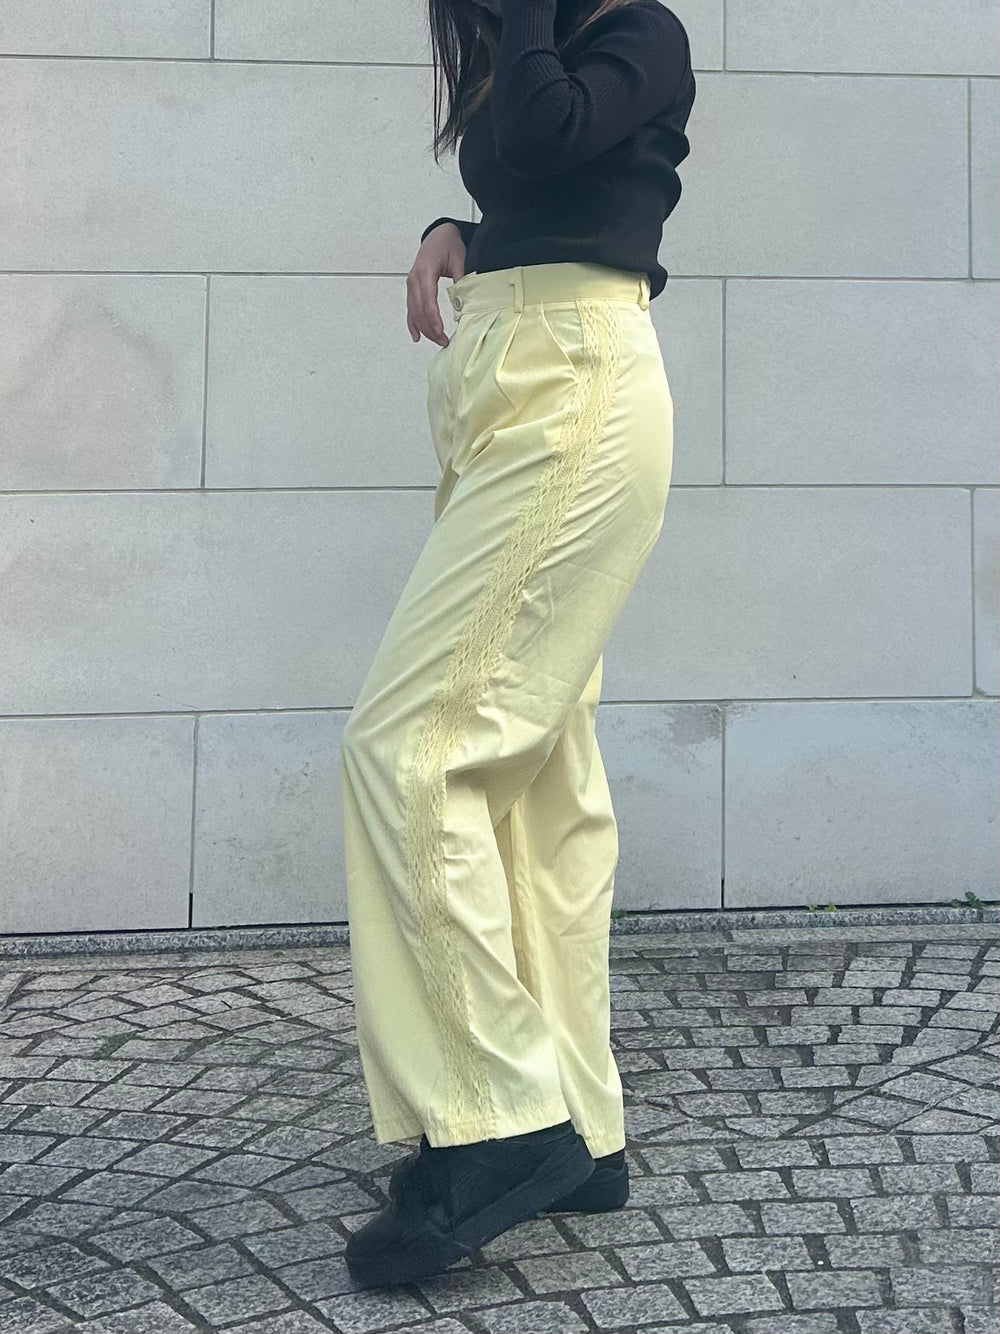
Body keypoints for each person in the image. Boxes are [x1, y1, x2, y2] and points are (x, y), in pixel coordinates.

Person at [340, 0, 695, 1286]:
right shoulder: (535, 42)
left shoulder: (637, 30)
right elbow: (555, 188)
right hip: (517, 384)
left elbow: (551, 134)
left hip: (574, 394)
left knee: (409, 750)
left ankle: (497, 1123)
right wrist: (464, 233)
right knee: (538, 780)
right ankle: (579, 1125)